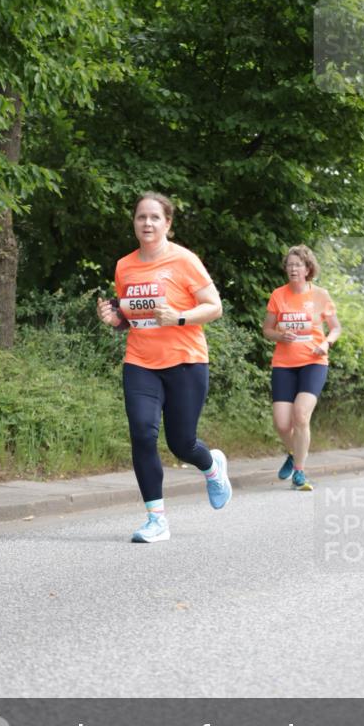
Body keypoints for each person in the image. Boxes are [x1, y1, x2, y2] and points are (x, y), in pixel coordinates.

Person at [96, 192, 232, 543]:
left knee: (182, 443)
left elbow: (214, 306)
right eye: (142, 217)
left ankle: (212, 466)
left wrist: (180, 317)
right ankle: (156, 519)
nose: (147, 223)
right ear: (134, 223)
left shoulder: (185, 260)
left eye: (155, 217)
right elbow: (131, 317)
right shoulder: (125, 266)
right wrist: (114, 318)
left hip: (186, 361)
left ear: (167, 223)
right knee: (142, 433)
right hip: (140, 362)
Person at [262, 245, 341, 491]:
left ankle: (299, 472)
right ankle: (293, 451)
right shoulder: (278, 295)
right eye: (290, 265)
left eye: (298, 265)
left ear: (308, 269)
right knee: (282, 424)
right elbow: (267, 330)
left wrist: (326, 344)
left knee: (301, 415)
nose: (293, 269)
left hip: (313, 362)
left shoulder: (320, 295)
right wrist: (279, 335)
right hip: (284, 364)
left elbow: (336, 328)